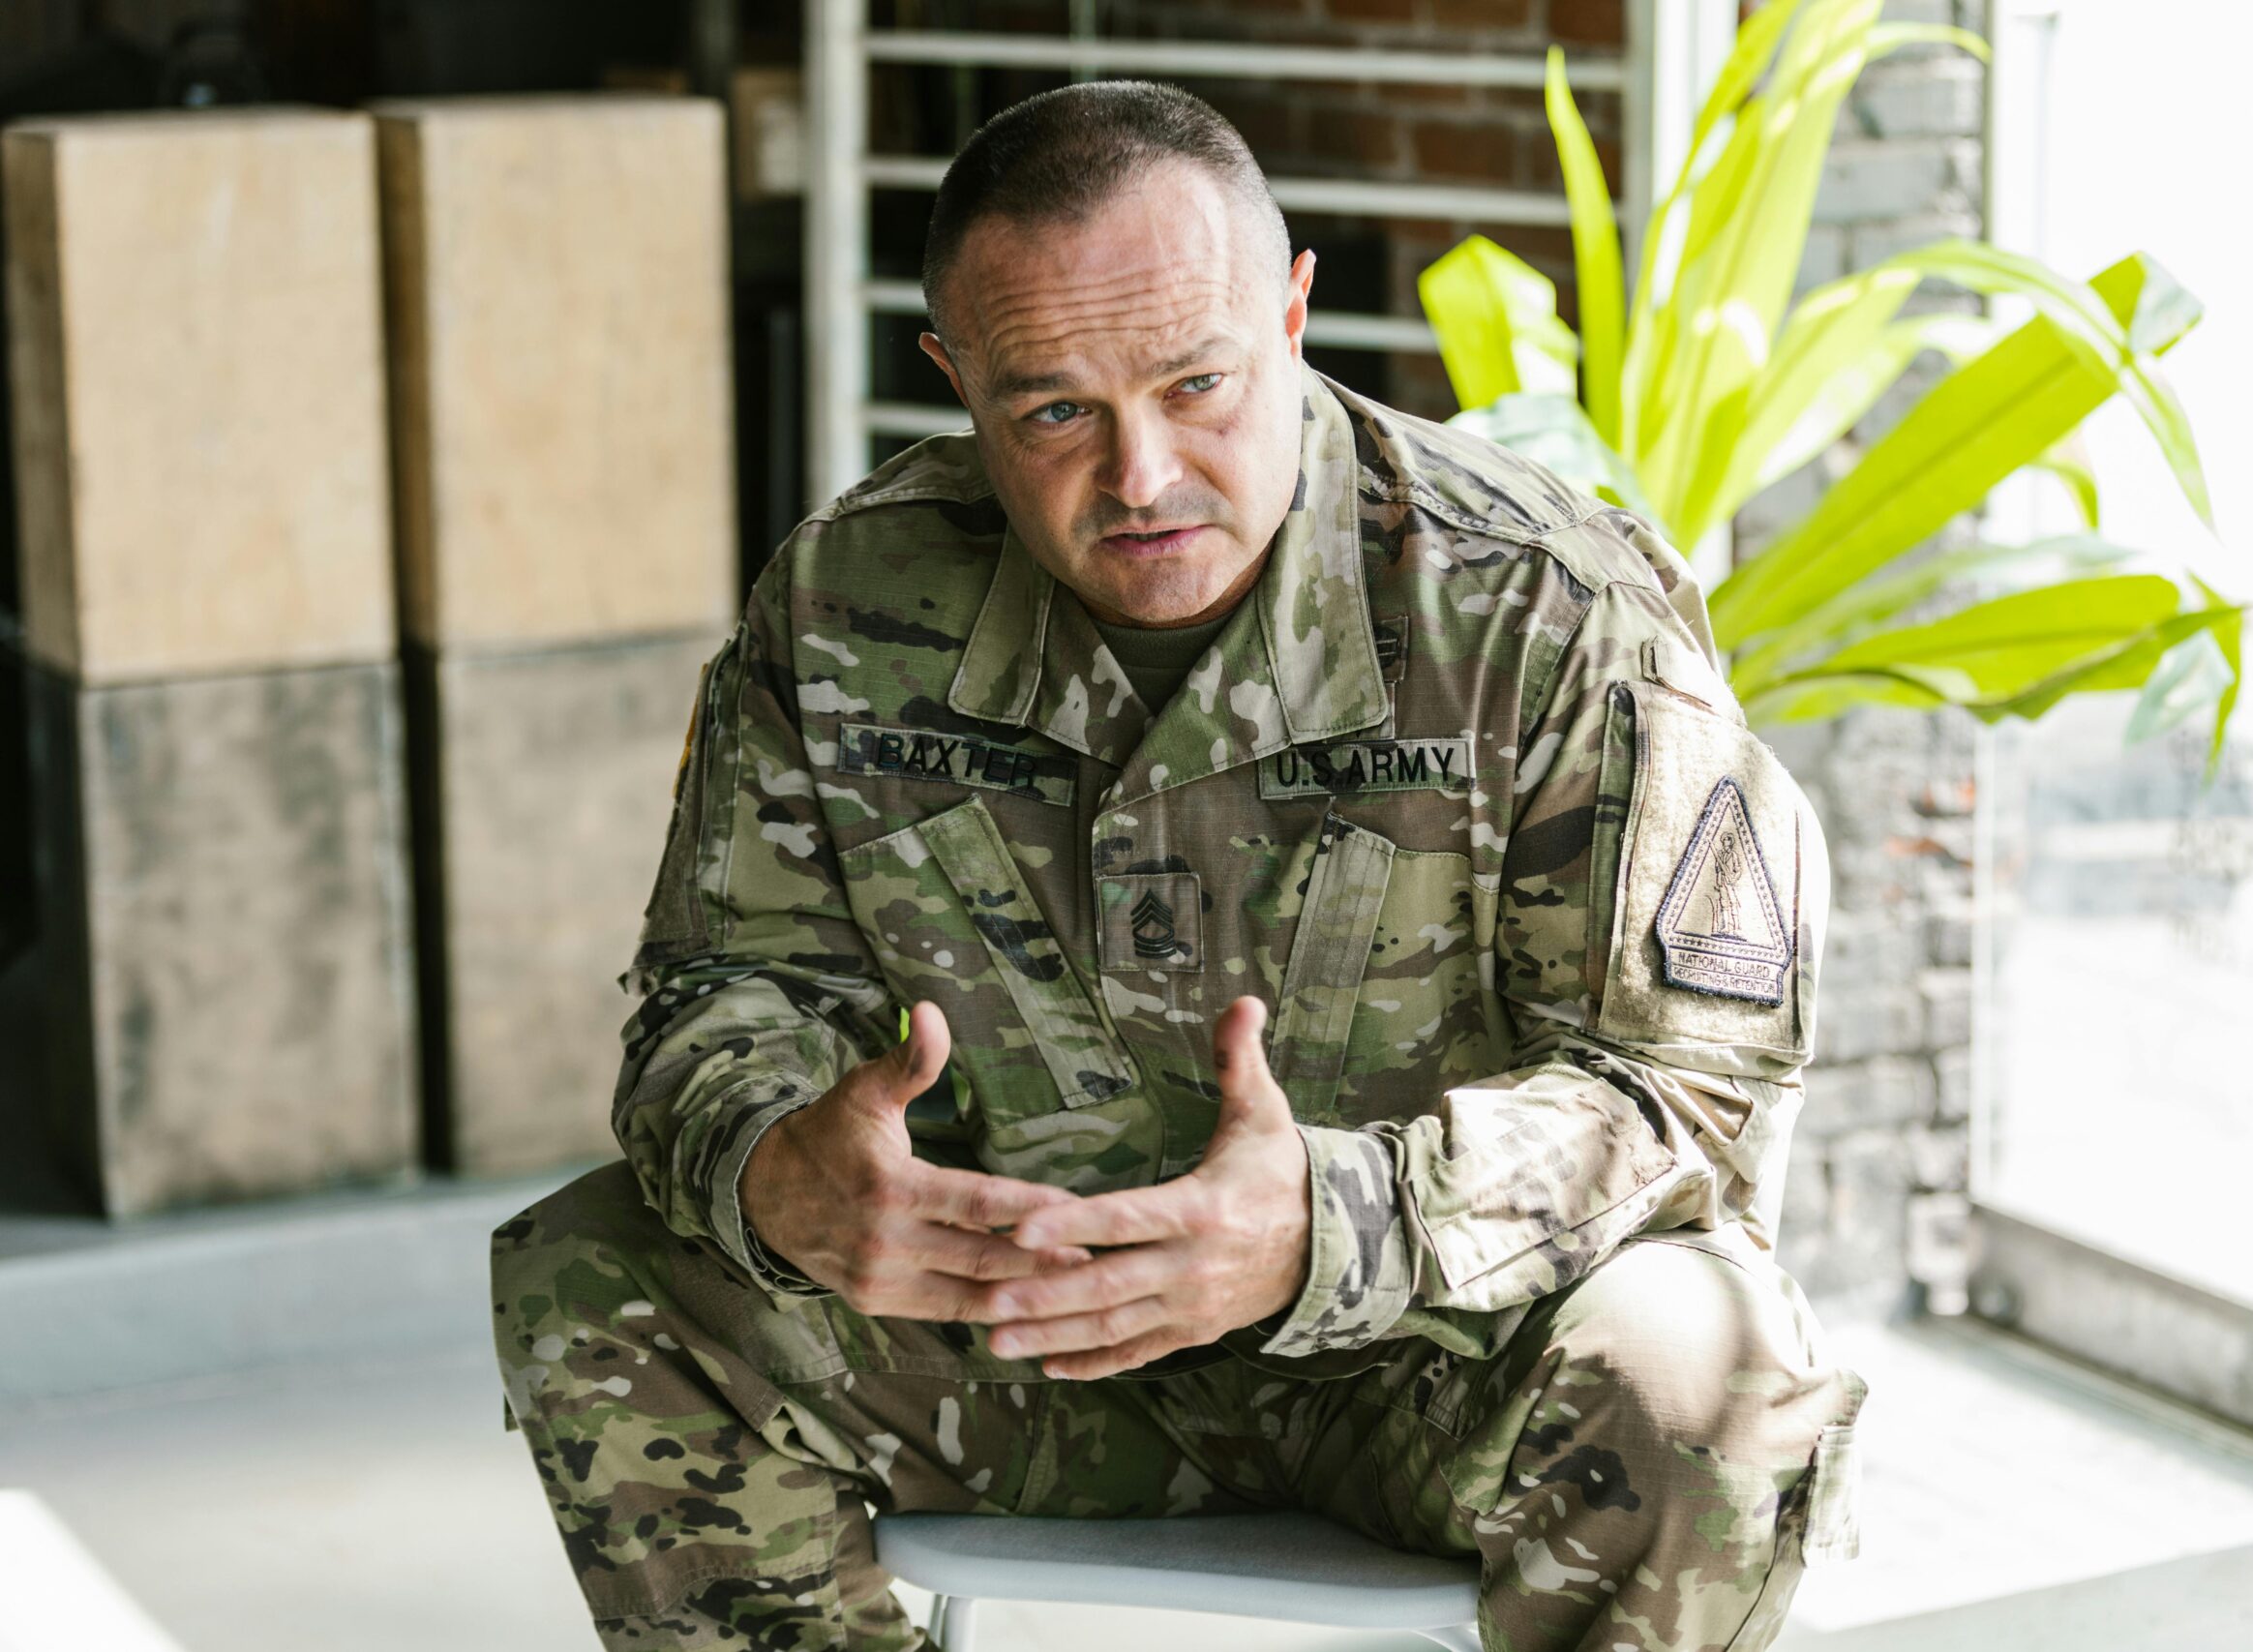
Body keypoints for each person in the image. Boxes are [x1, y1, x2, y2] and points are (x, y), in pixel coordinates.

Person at [491, 79, 1865, 1652]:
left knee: (1707, 1360)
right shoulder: (847, 604)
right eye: (1053, 410)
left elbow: (1689, 1093)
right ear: (956, 377)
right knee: (597, 1269)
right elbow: (718, 992)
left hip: (1429, 1360)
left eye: (1198, 384)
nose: (1140, 475)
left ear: (1292, 313)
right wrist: (773, 1168)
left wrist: (1328, 1228)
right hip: (1012, 1335)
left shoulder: (1548, 612)